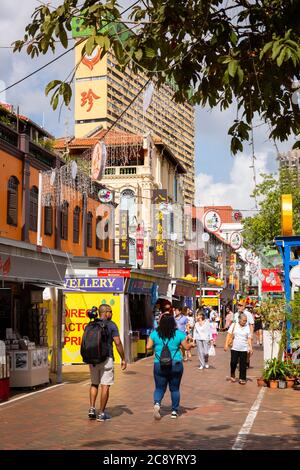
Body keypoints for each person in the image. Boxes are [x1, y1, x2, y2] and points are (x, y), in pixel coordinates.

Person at [146, 314, 195, 419]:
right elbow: (186, 347)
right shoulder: (179, 334)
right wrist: (191, 344)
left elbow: (148, 347)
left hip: (159, 363)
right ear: (173, 323)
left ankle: (157, 404)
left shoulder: (154, 333)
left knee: (159, 387)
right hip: (175, 363)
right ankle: (174, 411)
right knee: (175, 389)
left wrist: (156, 345)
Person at [88, 304, 127, 422]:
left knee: (94, 384)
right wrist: (123, 358)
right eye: (110, 311)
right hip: (107, 358)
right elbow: (118, 342)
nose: (112, 313)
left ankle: (92, 409)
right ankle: (102, 413)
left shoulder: (91, 324)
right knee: (105, 385)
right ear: (106, 312)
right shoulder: (111, 325)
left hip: (93, 359)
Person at [224, 312, 253, 384]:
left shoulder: (247, 327)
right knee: (233, 362)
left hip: (244, 348)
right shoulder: (234, 325)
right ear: (239, 320)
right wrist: (226, 345)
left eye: (246, 320)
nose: (244, 322)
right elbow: (229, 335)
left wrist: (250, 347)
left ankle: (242, 378)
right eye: (243, 320)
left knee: (243, 364)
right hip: (234, 347)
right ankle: (232, 374)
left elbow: (249, 338)